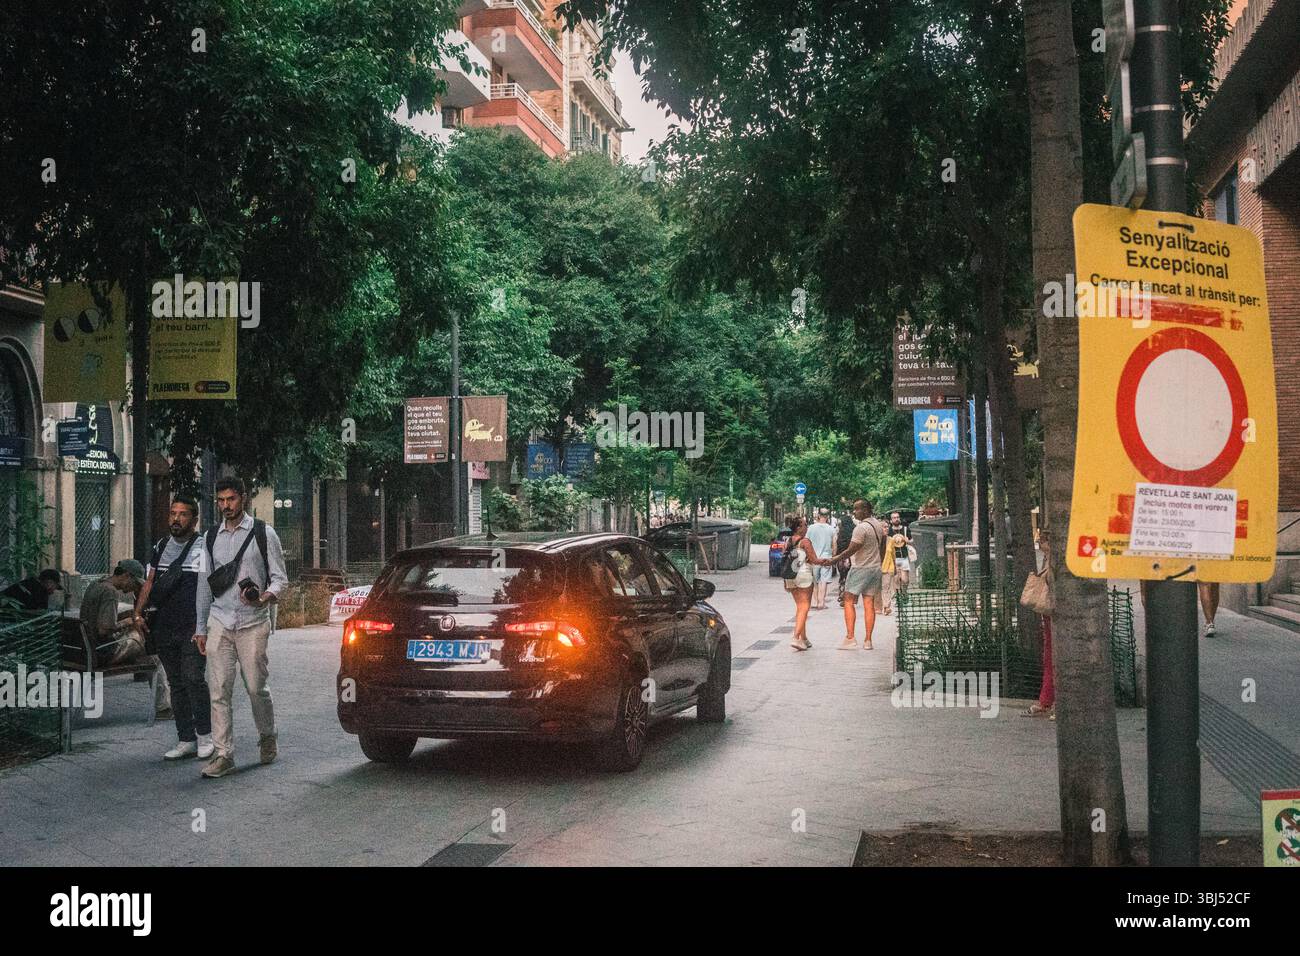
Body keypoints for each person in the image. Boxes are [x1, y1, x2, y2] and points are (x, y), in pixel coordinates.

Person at [194, 477, 289, 779]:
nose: (225, 506)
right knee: (218, 690)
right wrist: (200, 627)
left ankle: (268, 736)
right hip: (220, 622)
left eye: (231, 499)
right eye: (220, 500)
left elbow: (280, 578)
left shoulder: (263, 533)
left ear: (243, 499)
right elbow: (202, 586)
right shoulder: (209, 537)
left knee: (255, 688)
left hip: (252, 623)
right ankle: (224, 754)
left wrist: (265, 597)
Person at [137, 494, 212, 761]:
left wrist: (203, 625)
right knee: (176, 682)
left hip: (192, 626)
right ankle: (185, 739)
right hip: (165, 627)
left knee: (194, 678)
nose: (176, 519)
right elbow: (150, 581)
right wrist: (137, 612)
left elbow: (206, 587)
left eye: (182, 514)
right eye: (173, 514)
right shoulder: (160, 546)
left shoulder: (203, 547)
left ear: (194, 519)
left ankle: (205, 735)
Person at [827, 499, 887, 650]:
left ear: (865, 510)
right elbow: (883, 546)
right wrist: (879, 562)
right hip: (875, 568)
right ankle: (868, 641)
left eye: (856, 509)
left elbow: (852, 548)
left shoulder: (861, 528)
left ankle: (850, 637)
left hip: (860, 568)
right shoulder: (878, 525)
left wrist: (835, 558)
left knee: (848, 600)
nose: (854, 512)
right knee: (869, 604)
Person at [782, 516, 832, 651]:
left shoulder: (788, 541)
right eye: (804, 525)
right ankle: (796, 637)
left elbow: (785, 559)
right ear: (798, 527)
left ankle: (803, 638)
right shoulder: (805, 541)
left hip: (790, 576)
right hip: (803, 575)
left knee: (800, 607)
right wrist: (827, 561)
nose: (807, 527)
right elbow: (814, 559)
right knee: (804, 607)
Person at [806, 509, 835, 610]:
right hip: (826, 558)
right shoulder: (831, 529)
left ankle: (815, 601)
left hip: (814, 558)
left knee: (815, 581)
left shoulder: (811, 528)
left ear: (818, 516)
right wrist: (833, 557)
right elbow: (834, 545)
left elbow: (806, 542)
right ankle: (821, 602)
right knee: (824, 581)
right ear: (827, 516)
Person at [834, 505, 856, 608]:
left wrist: (835, 558)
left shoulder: (840, 533)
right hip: (851, 559)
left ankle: (842, 596)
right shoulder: (854, 532)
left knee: (842, 578)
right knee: (850, 579)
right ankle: (849, 597)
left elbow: (836, 547)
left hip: (841, 559)